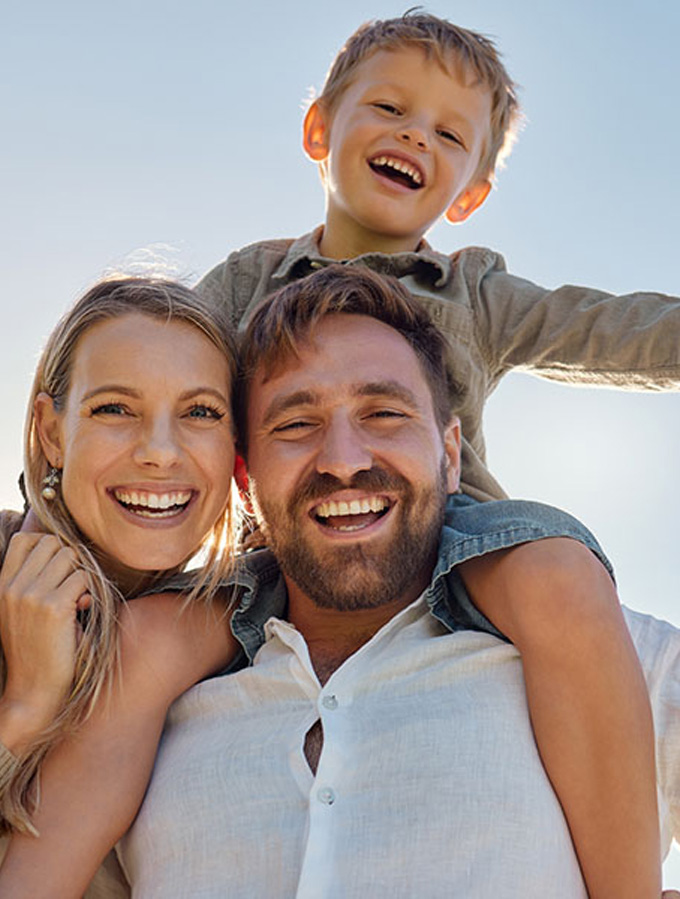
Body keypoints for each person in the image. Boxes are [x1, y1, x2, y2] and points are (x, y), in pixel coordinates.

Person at [0, 268, 679, 899]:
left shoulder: (593, 644)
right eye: (295, 424)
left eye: (384, 413)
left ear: (451, 455)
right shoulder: (156, 670)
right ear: (244, 475)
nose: (342, 458)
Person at [194, 11, 680, 895]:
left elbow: (610, 328)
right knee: (142, 645)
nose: (414, 134)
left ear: (467, 191)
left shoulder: (475, 291)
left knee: (560, 577)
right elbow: (155, 360)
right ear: (319, 130)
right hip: (282, 543)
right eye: (388, 107)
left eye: (449, 134)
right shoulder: (245, 282)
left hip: (456, 538)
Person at [0, 276, 243, 899]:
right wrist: (23, 709)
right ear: (51, 433)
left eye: (200, 412)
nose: (160, 451)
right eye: (114, 409)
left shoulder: (239, 630)